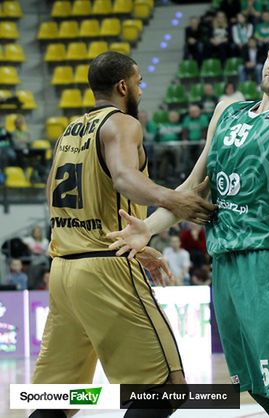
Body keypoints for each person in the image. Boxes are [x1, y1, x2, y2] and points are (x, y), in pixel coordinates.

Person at [108, 34, 269, 418]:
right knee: (255, 386)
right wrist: (149, 228)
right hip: (226, 263)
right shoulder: (227, 111)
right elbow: (193, 189)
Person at [28, 51, 215, 418]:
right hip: (105, 272)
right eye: (139, 82)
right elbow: (125, 179)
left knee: (57, 400)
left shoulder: (69, 132)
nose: (141, 90)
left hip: (65, 271)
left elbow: (53, 191)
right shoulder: (122, 124)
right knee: (165, 390)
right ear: (123, 85)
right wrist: (174, 201)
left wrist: (132, 237)